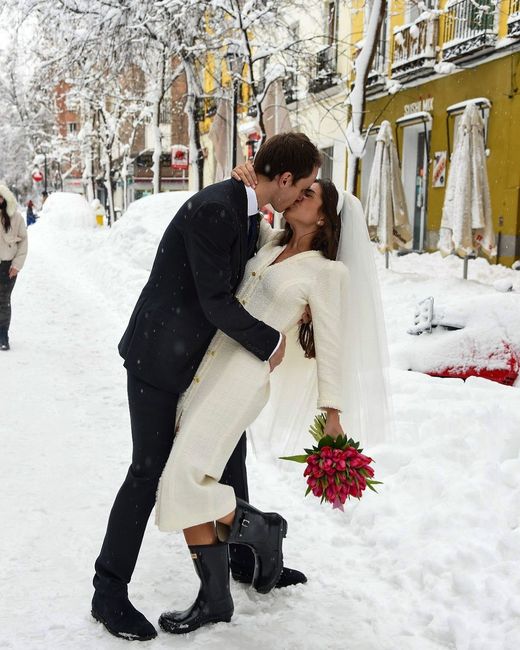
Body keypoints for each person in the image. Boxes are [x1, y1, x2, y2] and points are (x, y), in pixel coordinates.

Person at [92, 133, 322, 642]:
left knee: (230, 456)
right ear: (283, 179)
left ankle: (244, 561)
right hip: (157, 361)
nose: (304, 194)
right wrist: (269, 343)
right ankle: (107, 592)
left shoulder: (243, 207)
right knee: (147, 473)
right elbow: (216, 299)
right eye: (303, 185)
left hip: (198, 363)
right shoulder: (217, 208)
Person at [154, 166, 391, 635]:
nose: (300, 195)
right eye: (302, 188)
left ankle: (261, 531)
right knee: (187, 477)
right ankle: (217, 597)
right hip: (209, 365)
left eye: (311, 194)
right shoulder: (269, 243)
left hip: (244, 378)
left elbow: (331, 346)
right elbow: (247, 210)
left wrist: (334, 415)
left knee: (181, 479)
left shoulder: (328, 273)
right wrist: (245, 179)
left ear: (324, 218)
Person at [0, 184, 28, 351]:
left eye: (1, 197)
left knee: (3, 302)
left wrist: (17, 265)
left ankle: (3, 335)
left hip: (7, 266)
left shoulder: (16, 218)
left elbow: (24, 242)